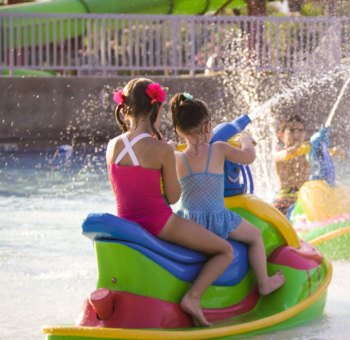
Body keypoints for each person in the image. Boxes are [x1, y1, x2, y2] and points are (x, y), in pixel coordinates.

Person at [105, 78, 233, 327]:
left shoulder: (112, 146)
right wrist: (170, 159)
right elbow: (173, 198)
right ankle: (193, 298)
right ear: (158, 109)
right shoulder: (162, 149)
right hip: (158, 223)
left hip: (126, 223)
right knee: (224, 250)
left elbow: (121, 191)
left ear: (126, 107)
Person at [169, 92, 285, 296]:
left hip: (189, 222)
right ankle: (264, 283)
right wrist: (245, 139)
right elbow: (248, 157)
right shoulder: (219, 149)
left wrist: (168, 148)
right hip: (217, 220)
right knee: (256, 237)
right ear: (207, 127)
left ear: (179, 131)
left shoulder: (176, 157)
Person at [272, 114, 311, 216]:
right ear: (281, 135)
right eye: (292, 130)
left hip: (306, 199)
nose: (296, 134)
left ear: (305, 134)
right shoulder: (278, 154)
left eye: (300, 130)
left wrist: (333, 152)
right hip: (285, 202)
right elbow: (284, 155)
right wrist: (295, 150)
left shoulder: (308, 153)